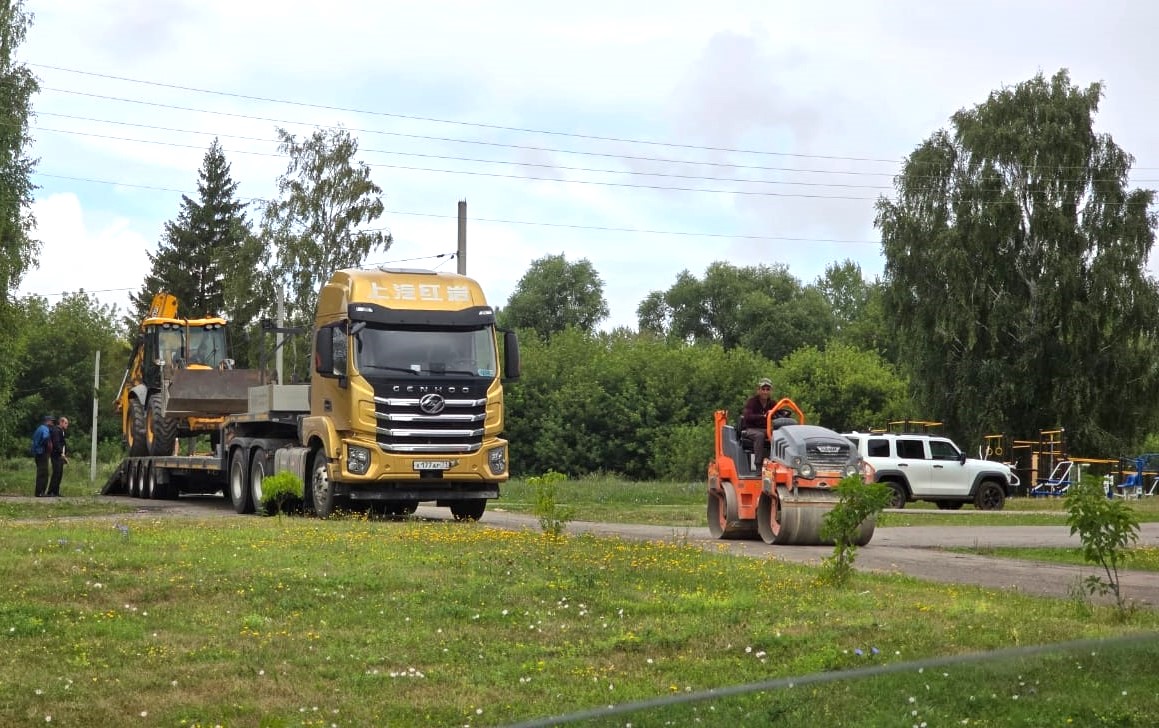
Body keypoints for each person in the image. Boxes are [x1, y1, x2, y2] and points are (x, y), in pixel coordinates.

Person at [740, 378, 793, 467]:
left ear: (771, 391)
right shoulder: (752, 402)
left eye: (767, 389)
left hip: (767, 429)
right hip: (752, 429)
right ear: (758, 390)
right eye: (763, 389)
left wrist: (784, 415)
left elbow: (779, 412)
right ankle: (758, 465)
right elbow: (747, 417)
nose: (765, 392)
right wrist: (763, 416)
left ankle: (782, 463)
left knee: (782, 434)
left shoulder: (772, 403)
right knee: (759, 436)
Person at [31, 415, 55, 497]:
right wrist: (46, 446)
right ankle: (40, 492)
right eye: (51, 421)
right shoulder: (45, 429)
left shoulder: (39, 428)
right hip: (42, 453)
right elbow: (45, 437)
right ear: (47, 421)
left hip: (37, 453)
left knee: (41, 472)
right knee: (43, 473)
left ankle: (40, 492)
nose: (52, 422)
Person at [46, 416, 70, 497]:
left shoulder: (61, 431)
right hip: (56, 455)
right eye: (66, 423)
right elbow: (56, 443)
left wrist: (65, 453)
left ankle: (56, 491)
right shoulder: (56, 431)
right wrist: (61, 452)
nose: (67, 425)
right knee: (56, 473)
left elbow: (62, 443)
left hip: (60, 456)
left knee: (59, 474)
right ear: (61, 422)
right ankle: (51, 491)